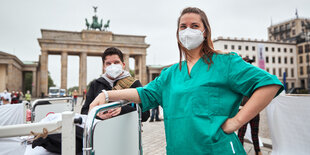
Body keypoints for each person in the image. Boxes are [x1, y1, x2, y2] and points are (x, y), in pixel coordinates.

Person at [89, 7, 283, 154]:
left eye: (194, 26)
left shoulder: (226, 62)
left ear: (205, 31)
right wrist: (107, 94)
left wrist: (237, 122)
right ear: (178, 34)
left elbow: (269, 84)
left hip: (217, 150)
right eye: (183, 26)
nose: (188, 30)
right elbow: (145, 93)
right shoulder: (170, 73)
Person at [81, 47, 150, 121]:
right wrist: (98, 116)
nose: (112, 66)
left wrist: (122, 110)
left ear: (123, 65)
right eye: (108, 63)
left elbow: (145, 115)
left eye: (116, 62)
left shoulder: (134, 83)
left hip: (126, 130)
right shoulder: (96, 84)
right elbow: (84, 112)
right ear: (104, 66)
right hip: (102, 130)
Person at [238, 56, 262, 155]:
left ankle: (258, 151)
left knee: (254, 133)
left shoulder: (255, 77)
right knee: (241, 133)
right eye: (247, 63)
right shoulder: (240, 78)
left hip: (254, 109)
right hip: (243, 110)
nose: (249, 64)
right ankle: (240, 151)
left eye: (250, 63)